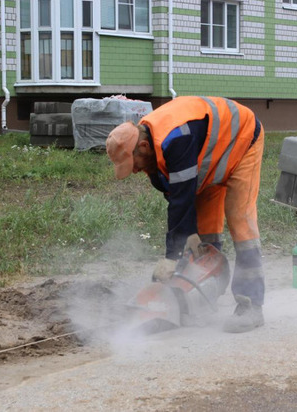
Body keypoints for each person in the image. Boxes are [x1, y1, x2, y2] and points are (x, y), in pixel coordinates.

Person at [105, 96, 265, 333]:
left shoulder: (176, 138)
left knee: (240, 221)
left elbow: (181, 199)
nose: (136, 170)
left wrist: (172, 255)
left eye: (134, 163)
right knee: (204, 236)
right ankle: (201, 299)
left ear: (143, 147)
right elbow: (179, 196)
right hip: (209, 159)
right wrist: (187, 235)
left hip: (241, 140)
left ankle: (251, 306)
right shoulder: (152, 148)